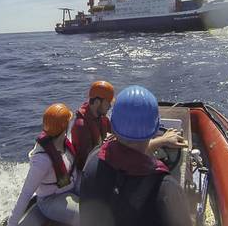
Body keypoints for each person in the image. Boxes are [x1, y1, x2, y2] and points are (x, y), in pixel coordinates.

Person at [80, 85, 192, 226]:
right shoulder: (166, 189)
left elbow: (125, 156)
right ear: (155, 128)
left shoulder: (92, 162)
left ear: (113, 126)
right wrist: (162, 141)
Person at [72, 81, 186, 172]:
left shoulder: (100, 117)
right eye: (108, 103)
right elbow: (89, 164)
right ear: (97, 102)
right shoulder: (81, 126)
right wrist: (161, 140)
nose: (110, 107)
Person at [7, 103, 79, 226]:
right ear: (64, 126)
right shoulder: (42, 160)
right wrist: (11, 223)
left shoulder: (64, 143)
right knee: (86, 215)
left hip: (71, 189)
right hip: (51, 201)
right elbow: (26, 193)